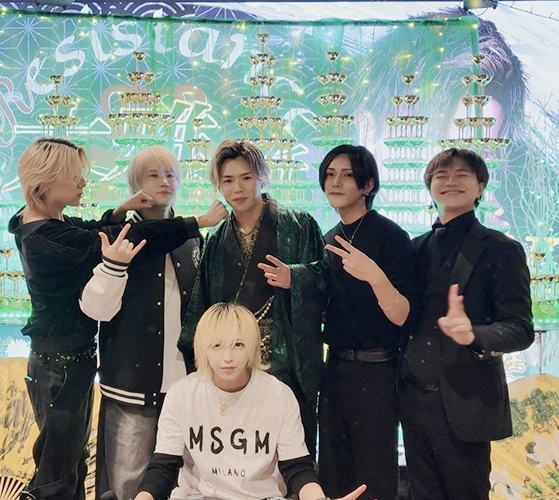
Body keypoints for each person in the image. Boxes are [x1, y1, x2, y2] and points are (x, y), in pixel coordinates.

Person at [8, 137, 227, 500]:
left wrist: (119, 212)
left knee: (70, 462)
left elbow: (92, 231)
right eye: (75, 176)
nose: (83, 183)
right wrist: (197, 222)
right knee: (63, 471)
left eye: (171, 174)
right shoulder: (46, 235)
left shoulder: (36, 220)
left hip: (74, 363)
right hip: (71, 369)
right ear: (46, 181)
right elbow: (113, 241)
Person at [79, 146, 217, 500]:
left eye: (171, 174)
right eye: (153, 175)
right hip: (131, 380)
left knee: (184, 479)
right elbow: (97, 306)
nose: (164, 182)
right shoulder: (121, 234)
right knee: (128, 479)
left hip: (184, 381)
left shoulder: (191, 237)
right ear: (135, 185)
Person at [398, 148, 534, 500]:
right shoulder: (414, 248)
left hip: (467, 399)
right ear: (430, 186)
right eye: (441, 175)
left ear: (480, 186)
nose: (450, 181)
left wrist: (474, 334)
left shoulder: (501, 248)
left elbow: (520, 328)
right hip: (414, 398)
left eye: (462, 174)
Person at [178, 140, 327, 456]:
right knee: (236, 452)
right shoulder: (216, 239)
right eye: (228, 180)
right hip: (232, 364)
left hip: (285, 361)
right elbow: (203, 305)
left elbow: (327, 281)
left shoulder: (300, 226)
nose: (237, 188)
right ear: (218, 185)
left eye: (246, 178)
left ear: (262, 177)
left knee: (288, 453)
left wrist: (296, 277)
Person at [134, 302, 367, 500]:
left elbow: (296, 467)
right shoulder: (182, 394)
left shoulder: (278, 395)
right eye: (217, 346)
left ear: (254, 345)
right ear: (203, 349)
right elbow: (163, 466)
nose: (227, 357)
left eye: (238, 345)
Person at [317, 145, 416, 500]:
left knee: (374, 474)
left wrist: (374, 275)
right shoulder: (327, 239)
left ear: (368, 185)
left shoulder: (391, 236)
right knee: (333, 469)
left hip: (378, 373)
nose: (335, 182)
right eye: (330, 175)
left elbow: (403, 314)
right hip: (335, 371)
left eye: (347, 175)